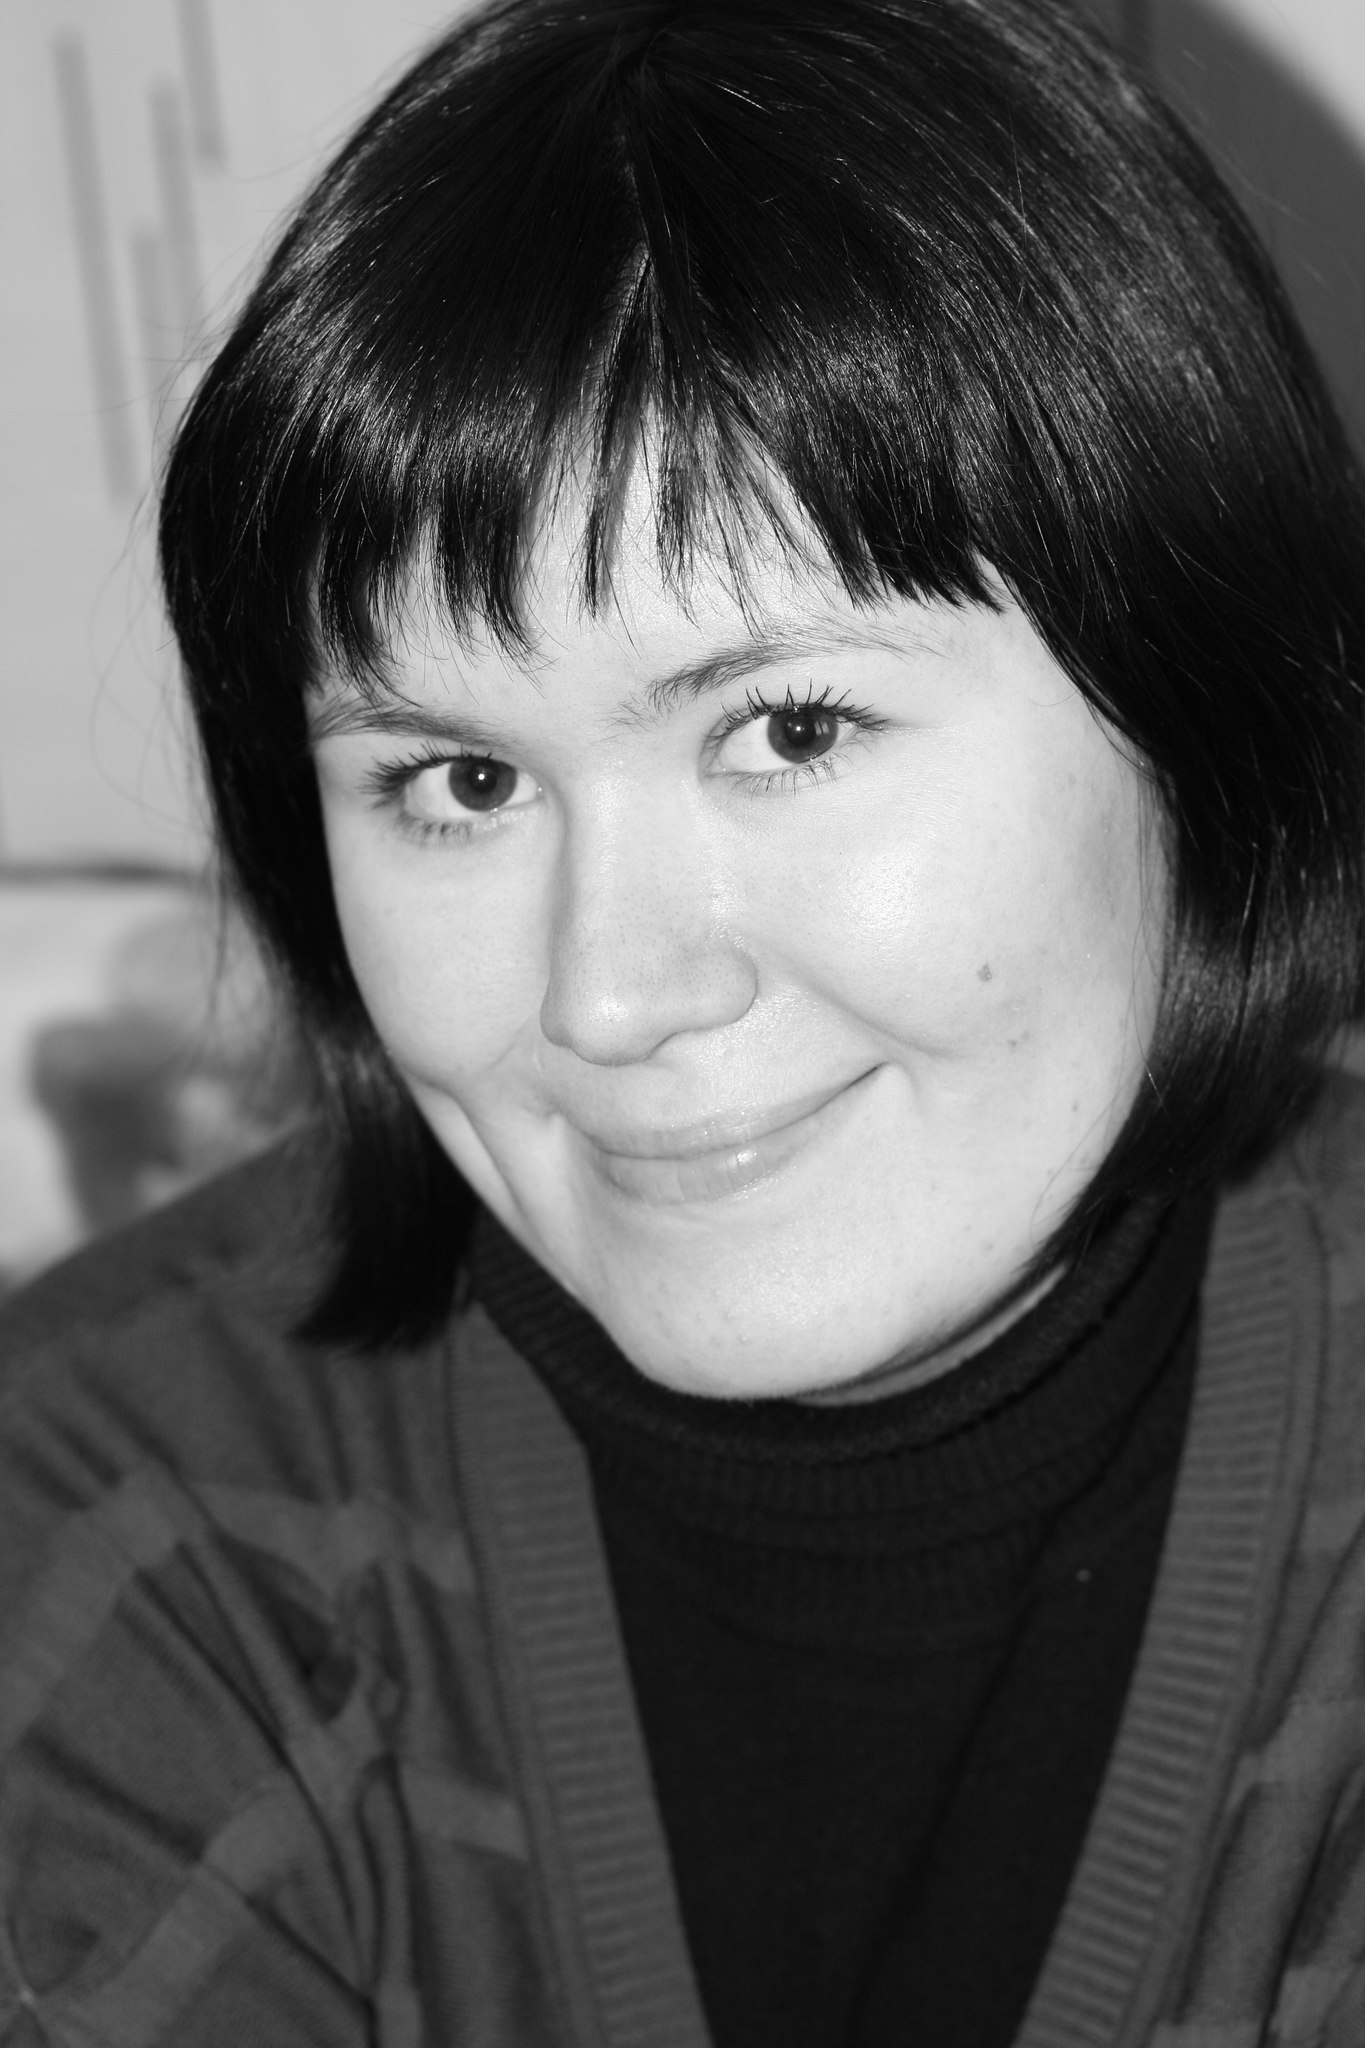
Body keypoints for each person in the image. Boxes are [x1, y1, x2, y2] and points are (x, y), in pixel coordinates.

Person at [3, 0, 1365, 2041]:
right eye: (459, 781)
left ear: (1197, 709)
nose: (607, 991)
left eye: (789, 730)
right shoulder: (117, 1514)